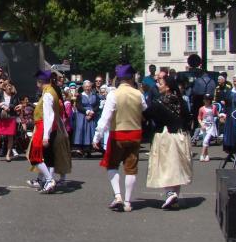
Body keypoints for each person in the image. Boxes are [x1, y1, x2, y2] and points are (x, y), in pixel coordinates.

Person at [93, 63, 147, 212]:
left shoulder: (113, 94)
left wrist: (97, 136)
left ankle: (118, 196)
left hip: (118, 134)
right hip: (135, 134)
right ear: (131, 78)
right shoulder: (138, 94)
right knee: (131, 168)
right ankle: (128, 202)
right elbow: (145, 109)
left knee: (112, 165)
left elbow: (105, 118)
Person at [144, 74, 193, 208]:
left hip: (167, 136)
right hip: (182, 135)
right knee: (177, 167)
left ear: (168, 86)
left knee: (166, 165)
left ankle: (170, 193)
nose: (158, 85)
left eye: (161, 82)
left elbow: (146, 115)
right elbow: (188, 118)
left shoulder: (159, 102)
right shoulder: (181, 100)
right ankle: (174, 197)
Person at [26, 70, 72, 193]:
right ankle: (48, 181)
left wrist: (45, 135)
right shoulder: (51, 92)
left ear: (40, 82)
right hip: (50, 127)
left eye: (37, 81)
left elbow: (48, 115)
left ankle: (49, 179)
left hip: (43, 128)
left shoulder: (47, 94)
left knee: (34, 156)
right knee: (48, 156)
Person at [0, 77, 17, 162]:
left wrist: (9, 107)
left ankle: (8, 155)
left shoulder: (14, 95)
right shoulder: (0, 94)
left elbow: (16, 105)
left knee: (10, 137)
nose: (9, 87)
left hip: (10, 118)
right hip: (1, 118)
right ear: (4, 87)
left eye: (10, 85)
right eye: (7, 85)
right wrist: (2, 105)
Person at [72, 80, 98, 157]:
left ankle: (89, 150)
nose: (88, 88)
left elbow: (97, 105)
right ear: (83, 87)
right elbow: (79, 106)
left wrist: (92, 112)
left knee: (90, 131)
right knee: (81, 131)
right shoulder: (80, 96)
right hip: (82, 116)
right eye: (86, 86)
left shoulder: (94, 95)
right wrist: (87, 112)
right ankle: (80, 149)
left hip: (91, 115)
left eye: (89, 86)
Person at [196, 95, 218, 162]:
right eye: (205, 100)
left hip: (211, 126)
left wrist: (221, 116)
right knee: (205, 140)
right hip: (204, 126)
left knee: (206, 140)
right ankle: (207, 155)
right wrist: (201, 125)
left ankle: (202, 155)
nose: (207, 101)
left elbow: (217, 114)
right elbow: (199, 118)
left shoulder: (213, 107)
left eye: (208, 100)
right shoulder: (201, 108)